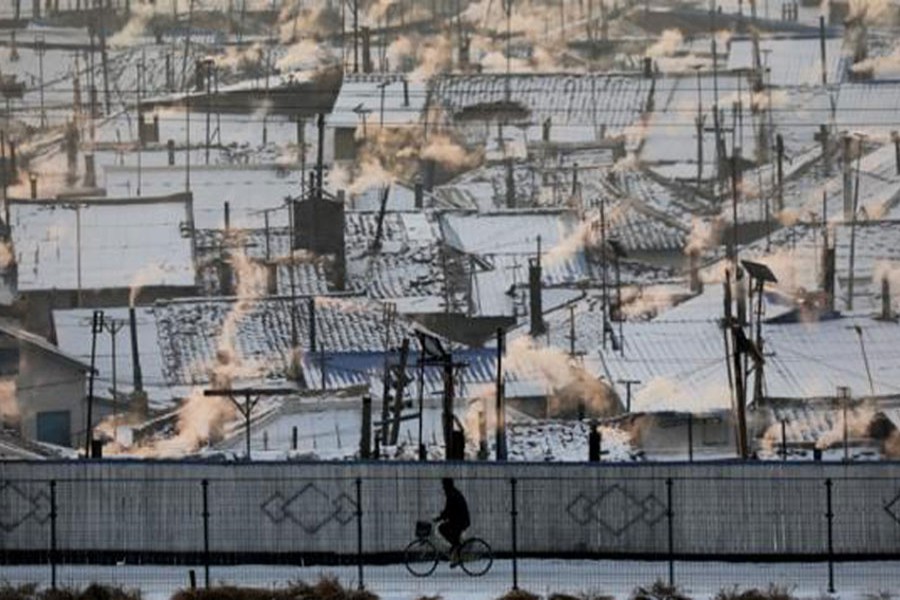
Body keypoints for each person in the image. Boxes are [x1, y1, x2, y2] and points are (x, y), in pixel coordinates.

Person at [434, 478, 470, 567]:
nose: (442, 487)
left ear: (447, 485)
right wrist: (443, 516)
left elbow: (449, 509)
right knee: (448, 530)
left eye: (443, 485)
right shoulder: (453, 492)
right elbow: (449, 509)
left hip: (460, 521)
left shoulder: (451, 494)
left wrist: (441, 517)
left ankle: (456, 546)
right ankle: (456, 549)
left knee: (442, 528)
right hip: (460, 520)